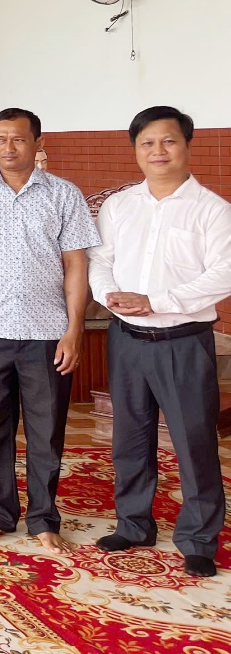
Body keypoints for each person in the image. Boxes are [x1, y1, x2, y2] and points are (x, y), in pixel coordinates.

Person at [0, 107, 99, 556]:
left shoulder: (64, 195)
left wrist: (75, 329)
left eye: (18, 139)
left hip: (48, 333)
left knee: (46, 430)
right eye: (0, 139)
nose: (8, 148)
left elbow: (76, 263)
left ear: (37, 143)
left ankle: (43, 519)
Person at [89, 106, 230, 578]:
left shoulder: (213, 210)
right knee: (130, 437)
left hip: (183, 342)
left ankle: (199, 540)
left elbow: (223, 274)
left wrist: (156, 302)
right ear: (135, 149)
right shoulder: (119, 205)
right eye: (147, 143)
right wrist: (109, 296)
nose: (158, 151)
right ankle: (133, 525)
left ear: (187, 145)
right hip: (126, 339)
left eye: (168, 141)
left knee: (194, 441)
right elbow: (100, 260)